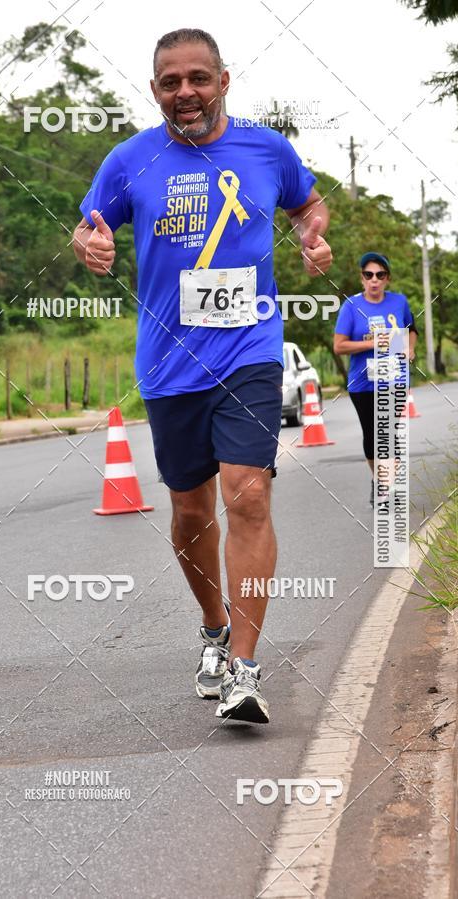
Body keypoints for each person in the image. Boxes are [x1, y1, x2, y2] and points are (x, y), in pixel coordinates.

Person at [73, 28, 332, 724]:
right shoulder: (130, 160)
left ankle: (245, 669)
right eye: (169, 82)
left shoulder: (265, 148)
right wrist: (92, 243)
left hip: (250, 348)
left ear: (223, 79)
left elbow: (307, 202)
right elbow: (88, 224)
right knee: (191, 513)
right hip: (168, 362)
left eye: (197, 78)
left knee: (247, 494)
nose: (184, 92)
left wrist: (311, 233)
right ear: (155, 89)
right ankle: (214, 628)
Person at [333, 252, 417, 507]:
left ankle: (388, 485)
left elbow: (411, 331)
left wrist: (410, 349)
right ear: (362, 279)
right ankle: (379, 481)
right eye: (369, 275)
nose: (374, 280)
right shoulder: (351, 306)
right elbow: (339, 346)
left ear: (387, 279)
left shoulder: (399, 302)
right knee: (372, 435)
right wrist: (371, 343)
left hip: (395, 379)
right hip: (363, 383)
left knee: (389, 432)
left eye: (380, 275)